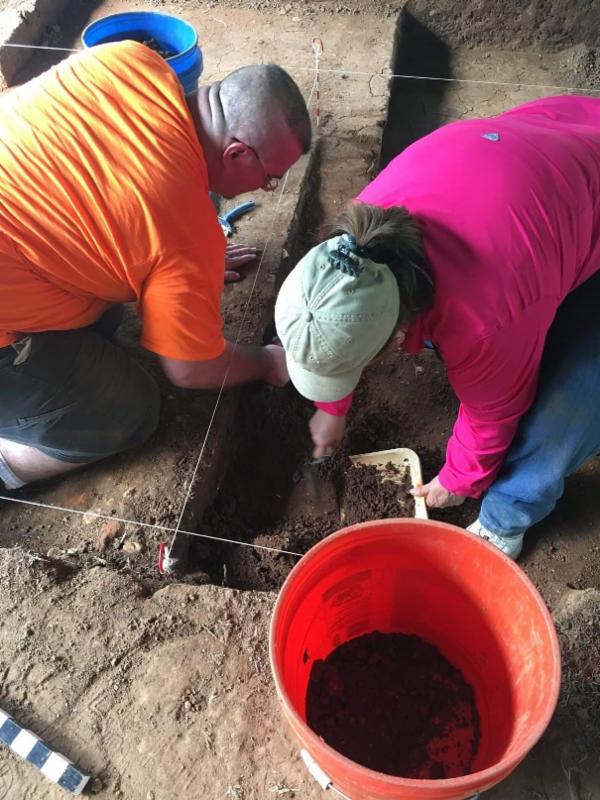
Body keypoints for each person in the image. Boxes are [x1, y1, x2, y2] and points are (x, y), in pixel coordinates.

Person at [275, 94, 600, 560]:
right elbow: (339, 318)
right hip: (553, 142)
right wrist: (333, 406)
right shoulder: (360, 238)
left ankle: (504, 521)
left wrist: (458, 479)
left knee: (565, 409)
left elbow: (494, 414)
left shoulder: (483, 318)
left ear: (397, 332)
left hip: (575, 183)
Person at [0, 41, 310, 490]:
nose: (266, 189)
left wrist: (188, 266)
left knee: (106, 316)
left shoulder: (132, 60)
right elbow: (191, 369)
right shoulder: (184, 229)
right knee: (128, 411)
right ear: (237, 154)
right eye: (271, 178)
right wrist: (265, 362)